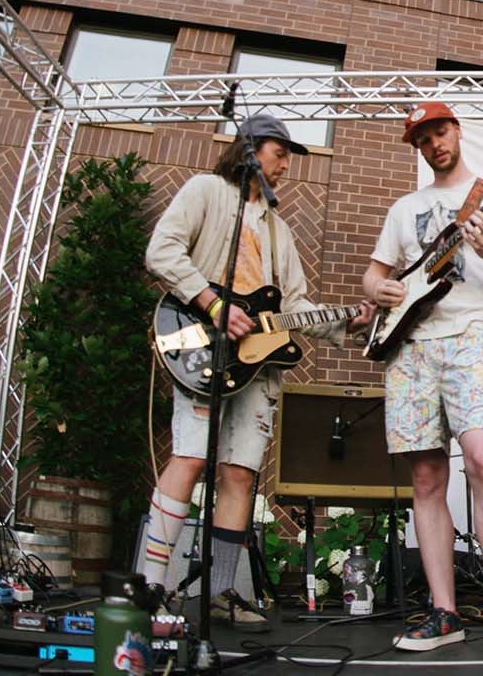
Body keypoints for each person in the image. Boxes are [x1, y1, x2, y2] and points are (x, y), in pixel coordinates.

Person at [142, 115, 372, 628]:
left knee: (240, 474)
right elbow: (162, 251)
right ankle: (150, 587)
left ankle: (222, 592)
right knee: (189, 458)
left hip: (258, 368)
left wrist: (347, 322)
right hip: (205, 350)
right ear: (249, 150)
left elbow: (293, 306)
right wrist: (212, 303)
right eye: (279, 153)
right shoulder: (206, 191)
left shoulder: (278, 230)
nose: (286, 165)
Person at [362, 102, 483, 667]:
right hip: (411, 346)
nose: (435, 143)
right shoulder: (404, 208)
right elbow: (374, 274)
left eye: (440, 131)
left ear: (457, 131)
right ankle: (444, 611)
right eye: (424, 139)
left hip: (473, 336)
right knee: (426, 475)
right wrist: (379, 290)